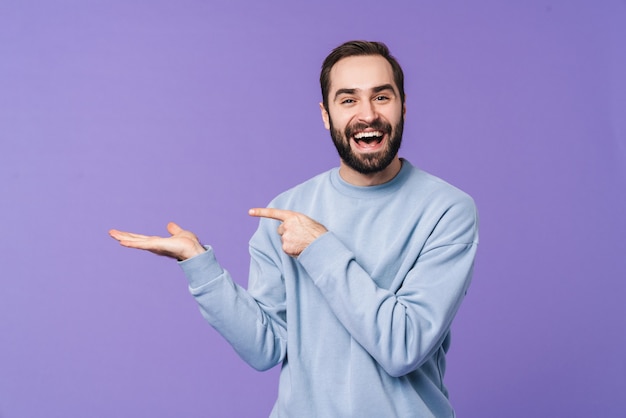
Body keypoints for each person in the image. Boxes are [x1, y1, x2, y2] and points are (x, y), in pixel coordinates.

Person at [109, 40, 479, 417]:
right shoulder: (287, 212)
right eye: (348, 100)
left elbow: (402, 347)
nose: (368, 114)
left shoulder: (447, 210)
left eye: (381, 97)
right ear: (325, 114)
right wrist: (199, 264)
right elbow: (264, 348)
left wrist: (320, 247)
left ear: (403, 106)